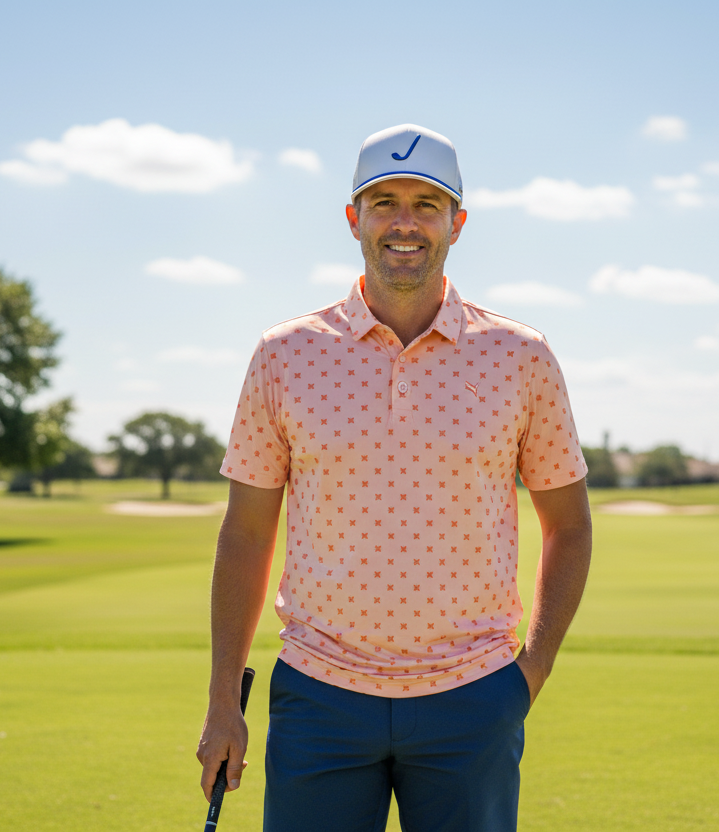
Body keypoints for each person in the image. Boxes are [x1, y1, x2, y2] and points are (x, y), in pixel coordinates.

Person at [197, 123, 592, 832]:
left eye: (426, 203)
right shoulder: (284, 355)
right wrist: (224, 698)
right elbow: (247, 534)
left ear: (457, 223)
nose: (404, 223)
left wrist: (528, 673)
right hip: (319, 696)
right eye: (383, 201)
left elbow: (568, 524)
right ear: (353, 219)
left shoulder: (521, 356)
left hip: (472, 696)